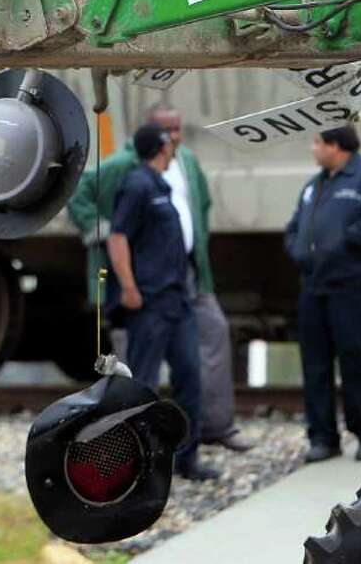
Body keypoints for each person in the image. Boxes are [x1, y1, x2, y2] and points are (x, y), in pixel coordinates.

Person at [68, 103, 252, 453]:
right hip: (146, 284)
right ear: (154, 136)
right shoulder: (125, 167)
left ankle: (214, 427)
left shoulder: (186, 162)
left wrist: (193, 246)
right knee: (139, 365)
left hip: (188, 276)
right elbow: (82, 196)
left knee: (209, 340)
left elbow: (202, 206)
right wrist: (104, 235)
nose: (177, 137)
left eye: (179, 129)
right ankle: (134, 446)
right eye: (169, 131)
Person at [106, 122, 219, 481]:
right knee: (144, 384)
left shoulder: (161, 184)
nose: (174, 149)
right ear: (159, 148)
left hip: (177, 300)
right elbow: (118, 237)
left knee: (190, 376)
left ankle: (187, 458)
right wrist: (128, 287)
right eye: (169, 144)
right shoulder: (137, 184)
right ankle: (139, 466)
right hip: (150, 302)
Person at [284, 125, 361, 463]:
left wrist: (341, 242)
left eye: (316, 141)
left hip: (354, 285)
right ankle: (322, 437)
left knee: (357, 360)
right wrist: (297, 250)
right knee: (315, 366)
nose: (312, 148)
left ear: (335, 146)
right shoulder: (314, 184)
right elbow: (294, 227)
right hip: (314, 287)